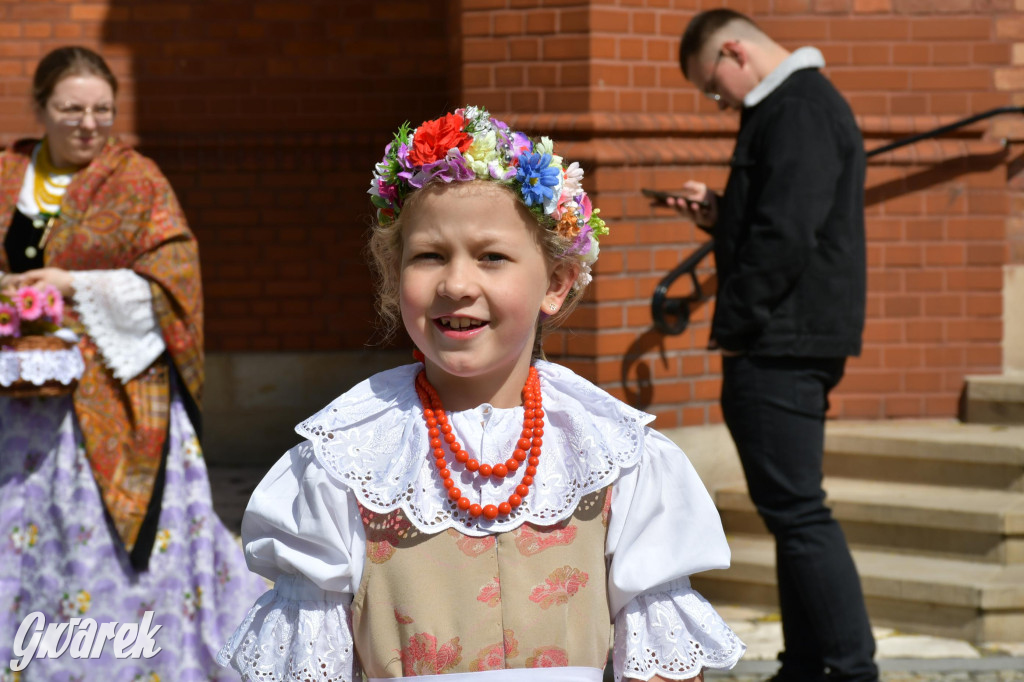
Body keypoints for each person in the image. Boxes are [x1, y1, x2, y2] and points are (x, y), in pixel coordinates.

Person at [217, 106, 746, 682]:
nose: (456, 284)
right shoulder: (345, 462)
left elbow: (662, 662)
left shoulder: (614, 455)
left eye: (492, 257)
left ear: (556, 283)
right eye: (429, 256)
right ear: (394, 276)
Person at [0, 46, 266, 681]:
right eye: (72, 109)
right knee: (26, 529)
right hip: (19, 403)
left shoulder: (138, 179)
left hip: (116, 396)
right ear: (40, 108)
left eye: (103, 110)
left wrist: (72, 285)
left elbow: (177, 279)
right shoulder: (9, 174)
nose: (89, 123)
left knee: (98, 535)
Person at [670, 9, 876, 682]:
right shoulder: (794, 107)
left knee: (798, 512)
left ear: (734, 51)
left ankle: (850, 670)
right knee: (792, 513)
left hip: (780, 341)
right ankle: (809, 665)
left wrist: (736, 327)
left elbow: (786, 235)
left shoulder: (798, 107)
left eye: (712, 86)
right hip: (787, 334)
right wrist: (721, 212)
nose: (718, 100)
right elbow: (779, 214)